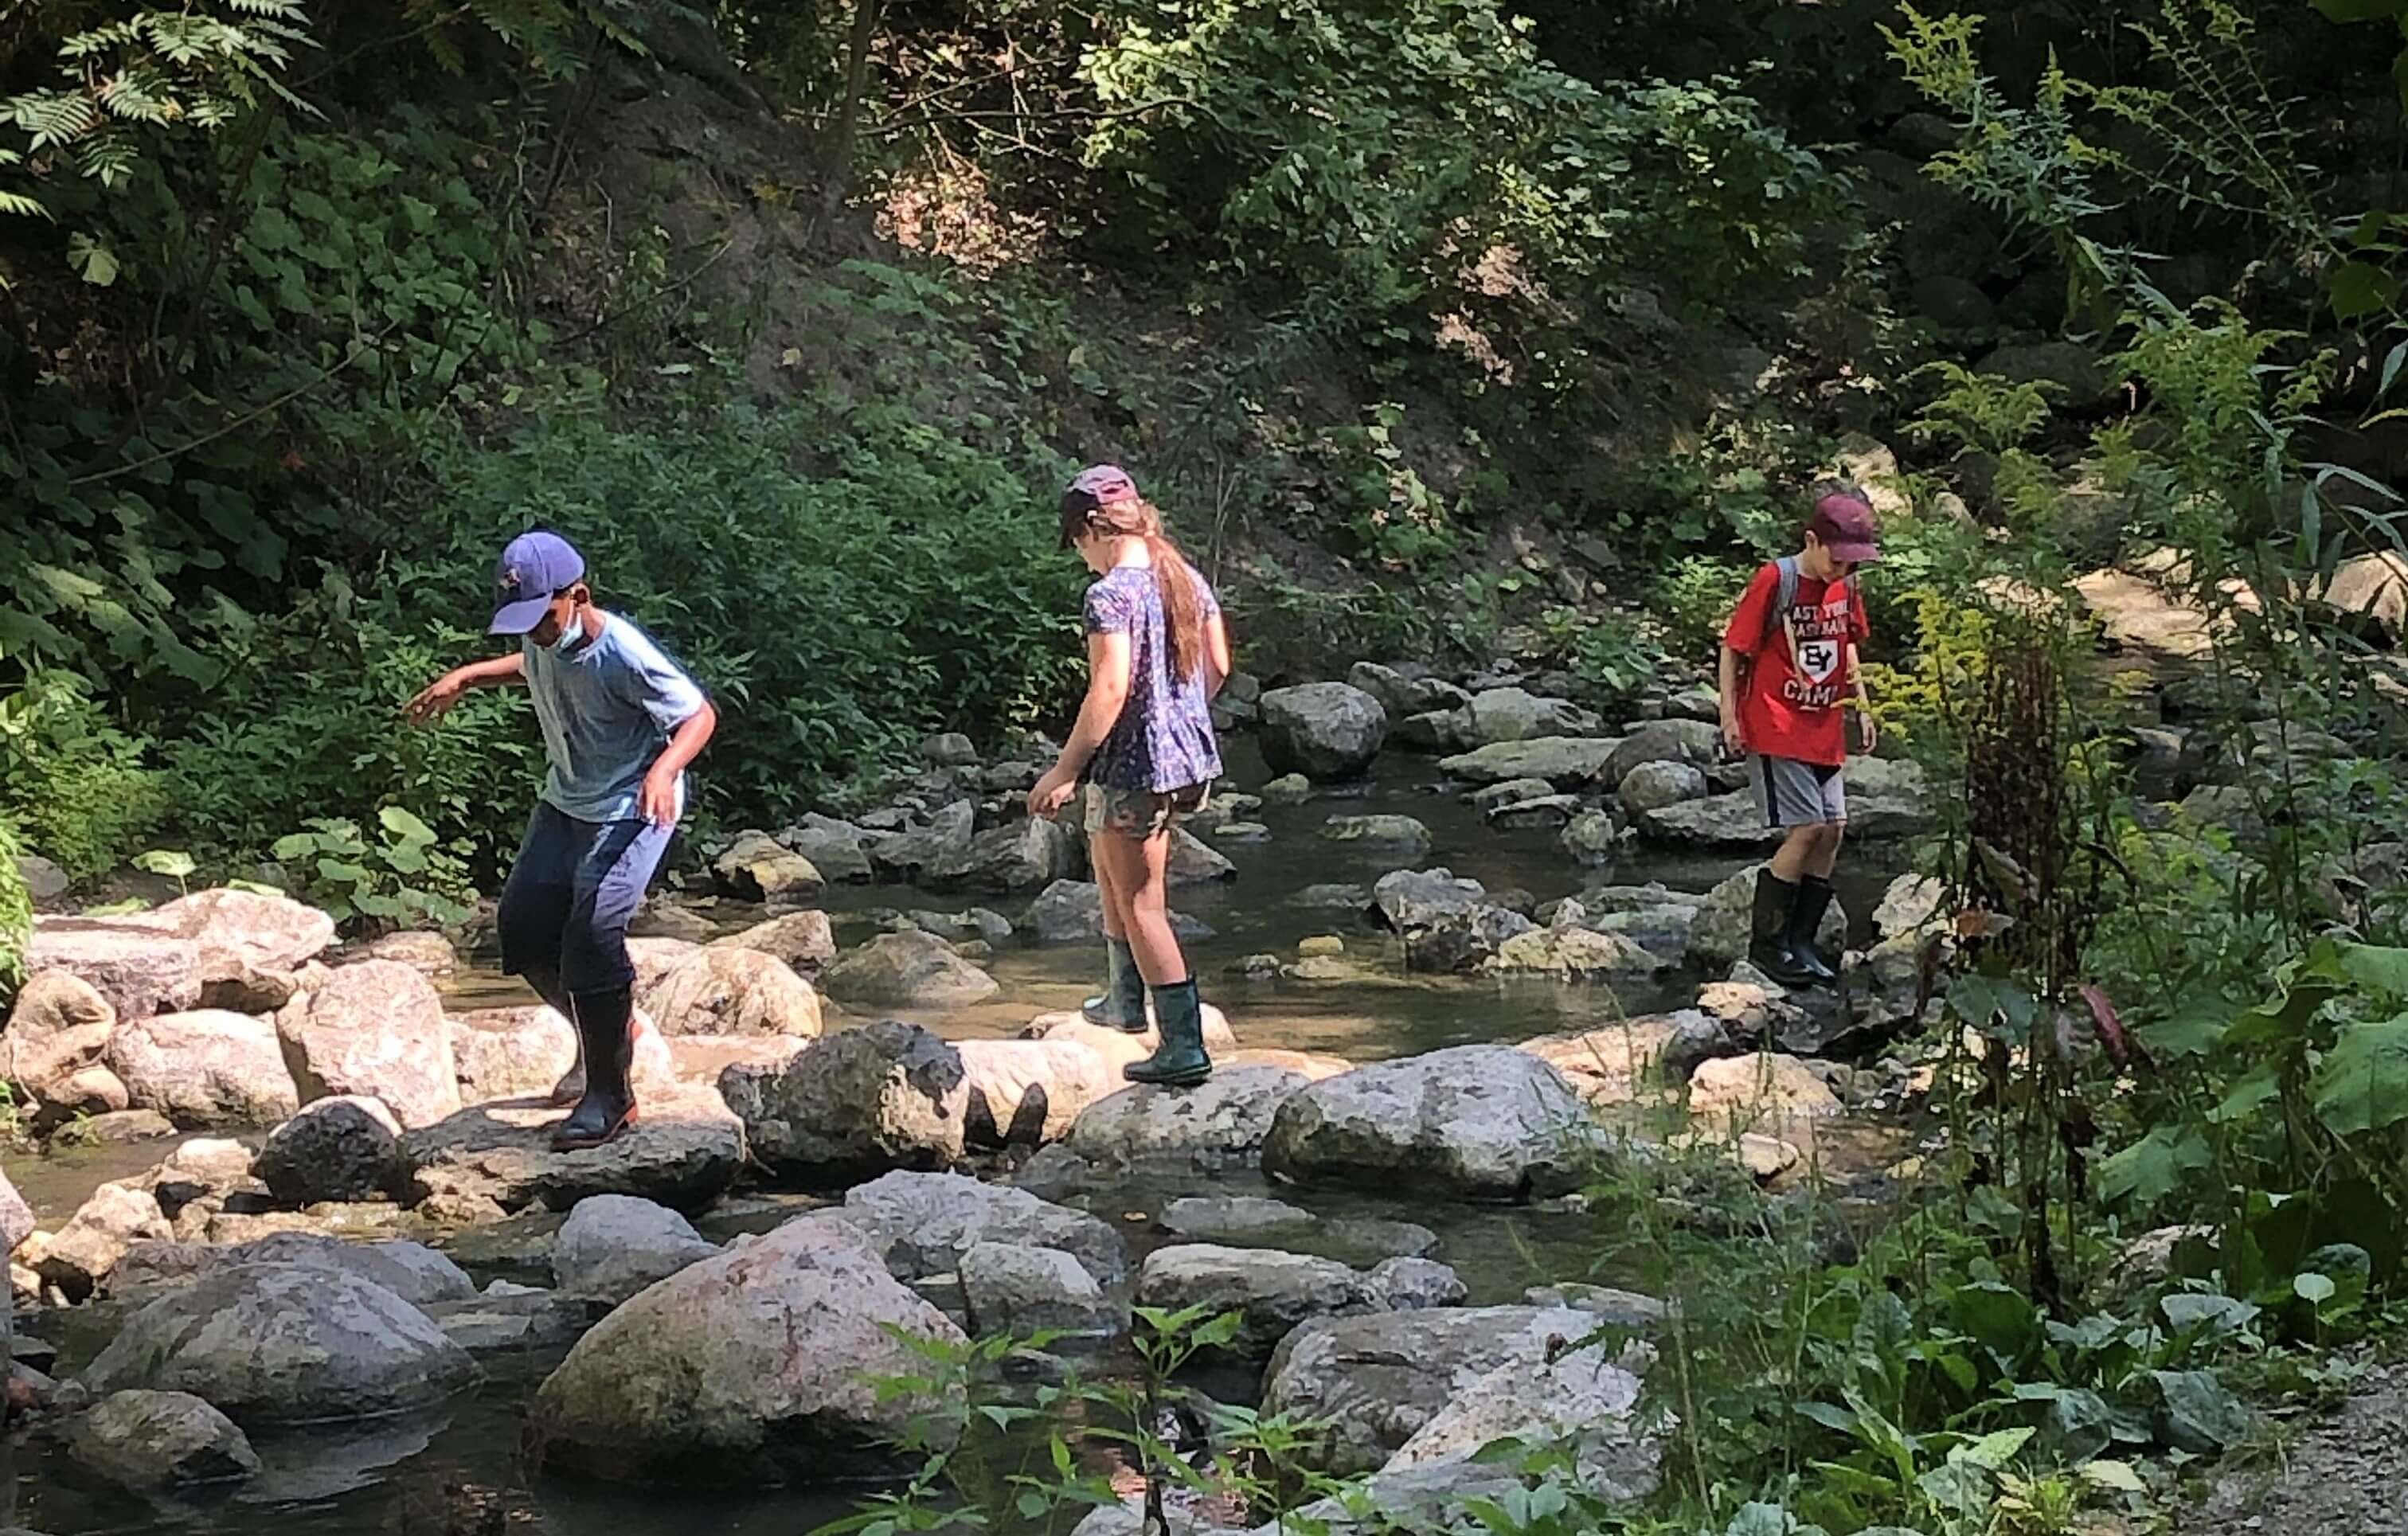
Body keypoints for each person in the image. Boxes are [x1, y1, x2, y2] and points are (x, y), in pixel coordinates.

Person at [405, 530, 717, 1148]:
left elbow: (698, 713)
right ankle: (605, 1030)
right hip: (567, 800)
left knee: (593, 931)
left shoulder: (623, 652)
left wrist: (664, 769)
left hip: (633, 804)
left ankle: (610, 1095)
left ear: (578, 596)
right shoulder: (542, 633)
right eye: (525, 622)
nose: (537, 632)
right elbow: (533, 664)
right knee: (521, 927)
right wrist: (469, 676)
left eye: (545, 618)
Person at [1028, 465, 1233, 1087]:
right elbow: (1219, 664)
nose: (1080, 560)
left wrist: (1064, 769)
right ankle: (1122, 997)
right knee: (1111, 860)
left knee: (1143, 905)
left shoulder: (1111, 594)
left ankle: (1182, 1044)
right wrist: (1179, 715)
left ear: (1092, 528)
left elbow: (1110, 686)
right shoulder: (1185, 579)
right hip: (1181, 761)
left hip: (1137, 766)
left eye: (1077, 545)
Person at [1717, 491, 1880, 989]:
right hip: (1776, 723)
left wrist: (1863, 703)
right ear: (1812, 541)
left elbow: (1845, 645)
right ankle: (1767, 946)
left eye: (1854, 563)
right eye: (1837, 559)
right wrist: (1729, 716)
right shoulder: (1777, 580)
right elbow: (1733, 649)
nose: (1844, 570)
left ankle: (1803, 941)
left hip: (1825, 724)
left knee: (1834, 828)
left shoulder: (1846, 588)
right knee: (1806, 827)